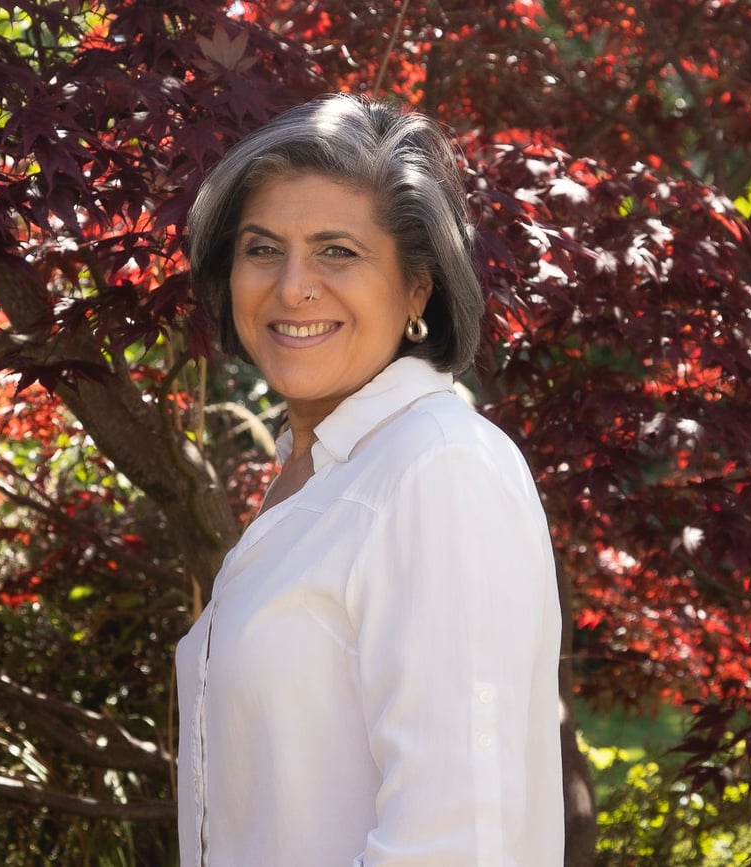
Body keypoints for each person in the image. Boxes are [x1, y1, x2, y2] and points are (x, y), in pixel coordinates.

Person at [176, 92, 564, 867]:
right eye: (261, 249)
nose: (292, 288)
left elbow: (457, 843)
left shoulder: (439, 469)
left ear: (418, 287)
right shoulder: (321, 474)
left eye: (337, 251)